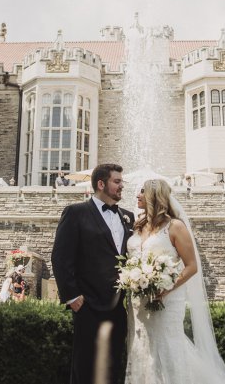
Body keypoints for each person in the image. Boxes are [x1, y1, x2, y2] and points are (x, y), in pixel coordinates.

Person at [125, 179, 225, 384]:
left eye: (142, 192)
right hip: (138, 300)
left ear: (154, 196)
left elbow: (191, 265)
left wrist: (166, 288)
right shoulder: (138, 225)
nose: (137, 196)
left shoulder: (175, 226)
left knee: (167, 346)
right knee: (142, 346)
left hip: (167, 298)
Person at [52, 163, 135, 384]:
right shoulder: (76, 212)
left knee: (113, 367)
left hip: (119, 308)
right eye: (117, 182)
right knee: (85, 368)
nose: (121, 186)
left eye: (121, 182)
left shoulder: (128, 217)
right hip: (88, 306)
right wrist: (72, 297)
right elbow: (61, 257)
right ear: (101, 184)